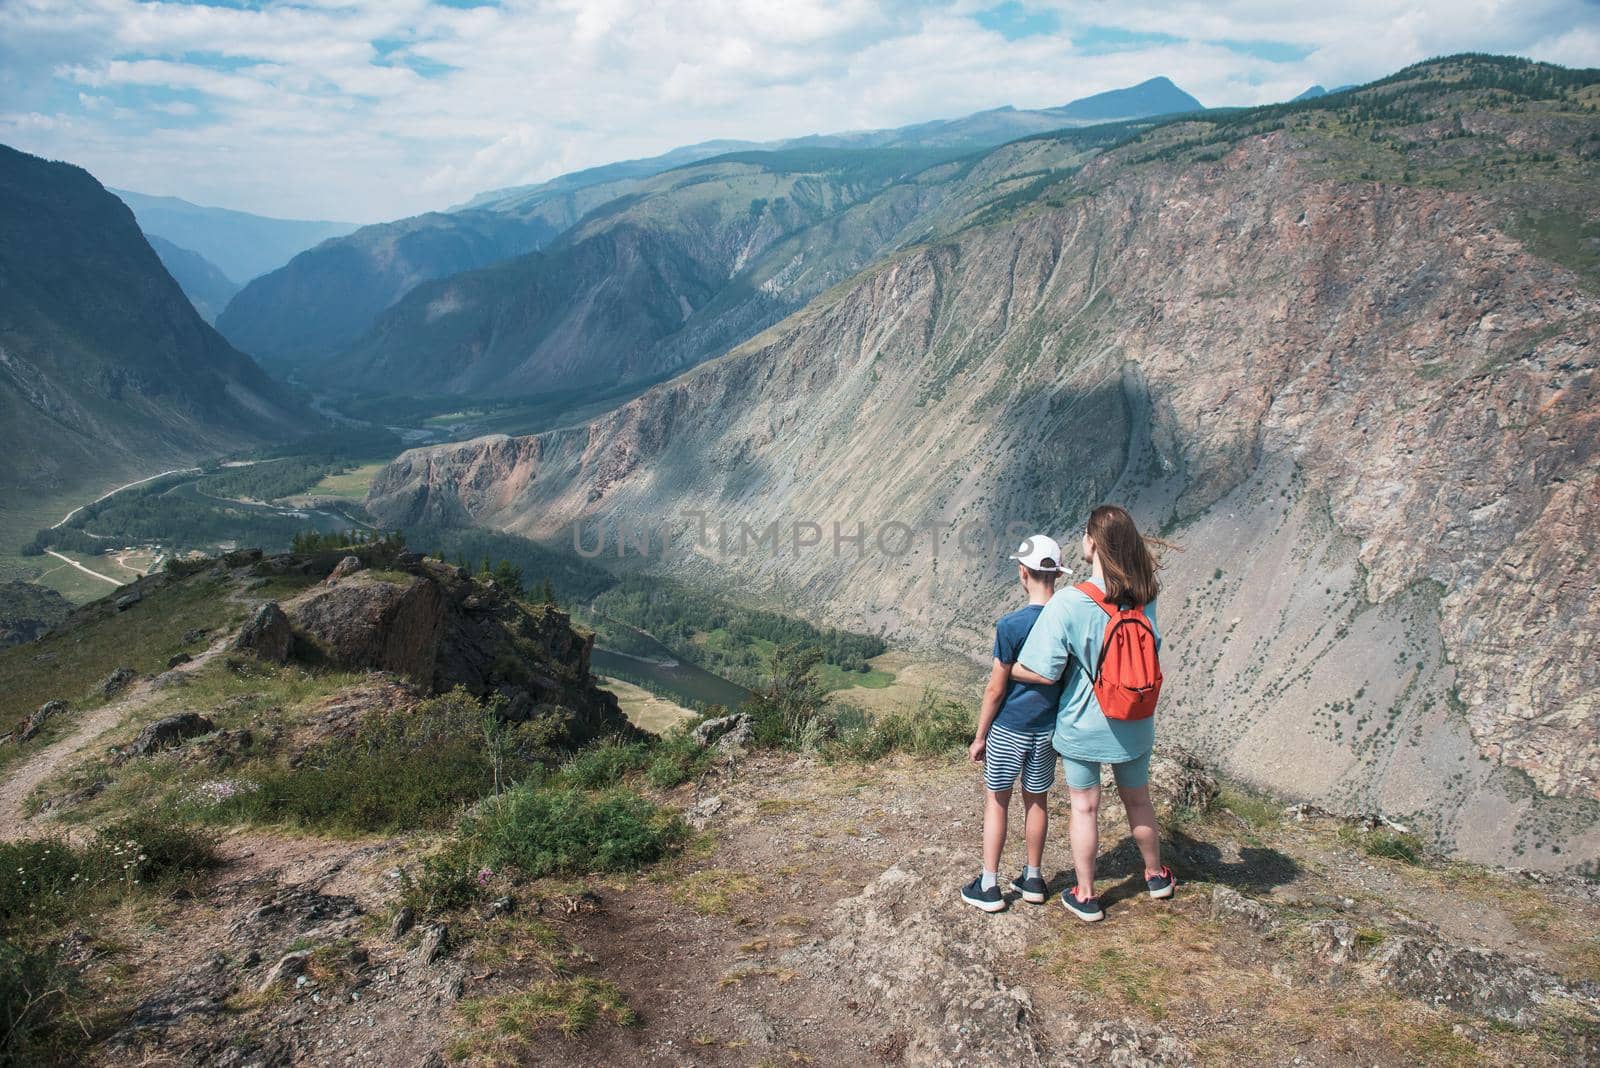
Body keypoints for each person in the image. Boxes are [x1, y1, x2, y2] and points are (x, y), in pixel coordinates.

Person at [1011, 505, 1175, 922]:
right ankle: (1156, 876)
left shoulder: (1069, 601)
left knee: (1085, 807)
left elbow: (1040, 671)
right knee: (1138, 800)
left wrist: (1009, 668)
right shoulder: (1146, 597)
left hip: (1085, 722)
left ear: (1091, 543)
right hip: (1135, 718)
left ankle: (1086, 895)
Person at [959, 535, 1067, 913]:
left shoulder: (1011, 625)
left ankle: (989, 885)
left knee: (997, 802)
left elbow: (994, 688)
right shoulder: (1067, 622)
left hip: (1009, 728)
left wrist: (980, 736)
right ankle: (1034, 878)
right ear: (1057, 576)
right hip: (1048, 729)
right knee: (1037, 800)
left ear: (1023, 572)